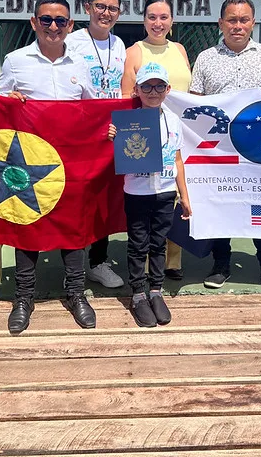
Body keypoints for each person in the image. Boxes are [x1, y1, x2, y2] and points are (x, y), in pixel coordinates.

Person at [0, 0, 97, 334]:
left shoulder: (80, 64)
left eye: (61, 21)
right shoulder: (15, 61)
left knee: (73, 228)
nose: (53, 27)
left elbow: (90, 111)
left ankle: (76, 293)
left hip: (69, 162)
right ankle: (24, 297)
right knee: (28, 227)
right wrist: (5, 101)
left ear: (70, 25)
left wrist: (107, 126)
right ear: (34, 23)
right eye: (46, 20)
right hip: (27, 162)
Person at [189, 0, 261, 295]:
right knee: (224, 206)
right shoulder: (205, 58)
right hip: (220, 151)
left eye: (244, 19)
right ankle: (221, 265)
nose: (238, 25)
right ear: (221, 23)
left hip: (258, 150)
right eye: (232, 20)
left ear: (253, 22)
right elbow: (193, 104)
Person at [108, 62, 191, 326]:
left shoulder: (174, 121)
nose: (152, 92)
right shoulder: (126, 121)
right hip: (137, 192)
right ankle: (138, 293)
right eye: (146, 86)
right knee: (137, 244)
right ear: (137, 90)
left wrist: (184, 197)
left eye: (158, 86)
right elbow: (115, 153)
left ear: (167, 89)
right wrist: (112, 136)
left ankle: (156, 290)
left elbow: (178, 160)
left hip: (166, 192)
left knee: (159, 243)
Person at [122, 0, 192, 280]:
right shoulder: (134, 52)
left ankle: (170, 263)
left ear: (172, 21)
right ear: (144, 21)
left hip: (178, 129)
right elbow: (126, 98)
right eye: (152, 17)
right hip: (145, 134)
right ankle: (144, 273)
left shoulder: (180, 49)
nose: (158, 23)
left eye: (164, 17)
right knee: (146, 207)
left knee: (171, 199)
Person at [67, 0, 126, 289]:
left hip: (111, 133)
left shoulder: (119, 45)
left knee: (104, 197)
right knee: (77, 197)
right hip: (80, 132)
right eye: (100, 6)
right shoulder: (71, 41)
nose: (106, 13)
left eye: (112, 8)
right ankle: (73, 263)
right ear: (87, 7)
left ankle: (98, 261)